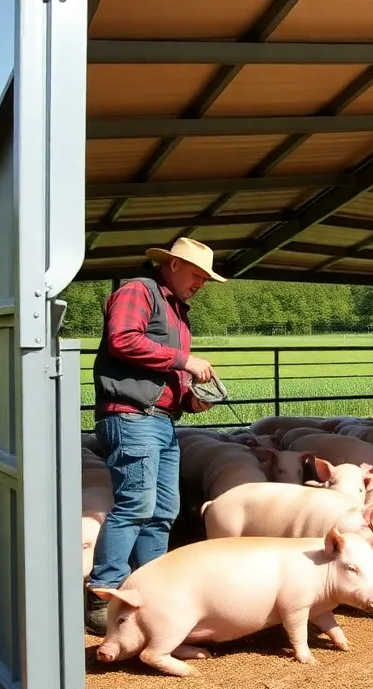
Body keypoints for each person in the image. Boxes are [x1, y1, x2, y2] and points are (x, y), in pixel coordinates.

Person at [84, 237, 226, 634]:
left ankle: (150, 588)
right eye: (198, 275)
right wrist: (185, 359)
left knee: (164, 511)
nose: (200, 283)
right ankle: (103, 594)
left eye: (205, 279)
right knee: (135, 505)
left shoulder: (178, 311)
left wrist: (188, 399)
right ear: (174, 265)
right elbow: (123, 339)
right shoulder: (139, 290)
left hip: (160, 419)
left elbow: (158, 370)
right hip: (132, 417)